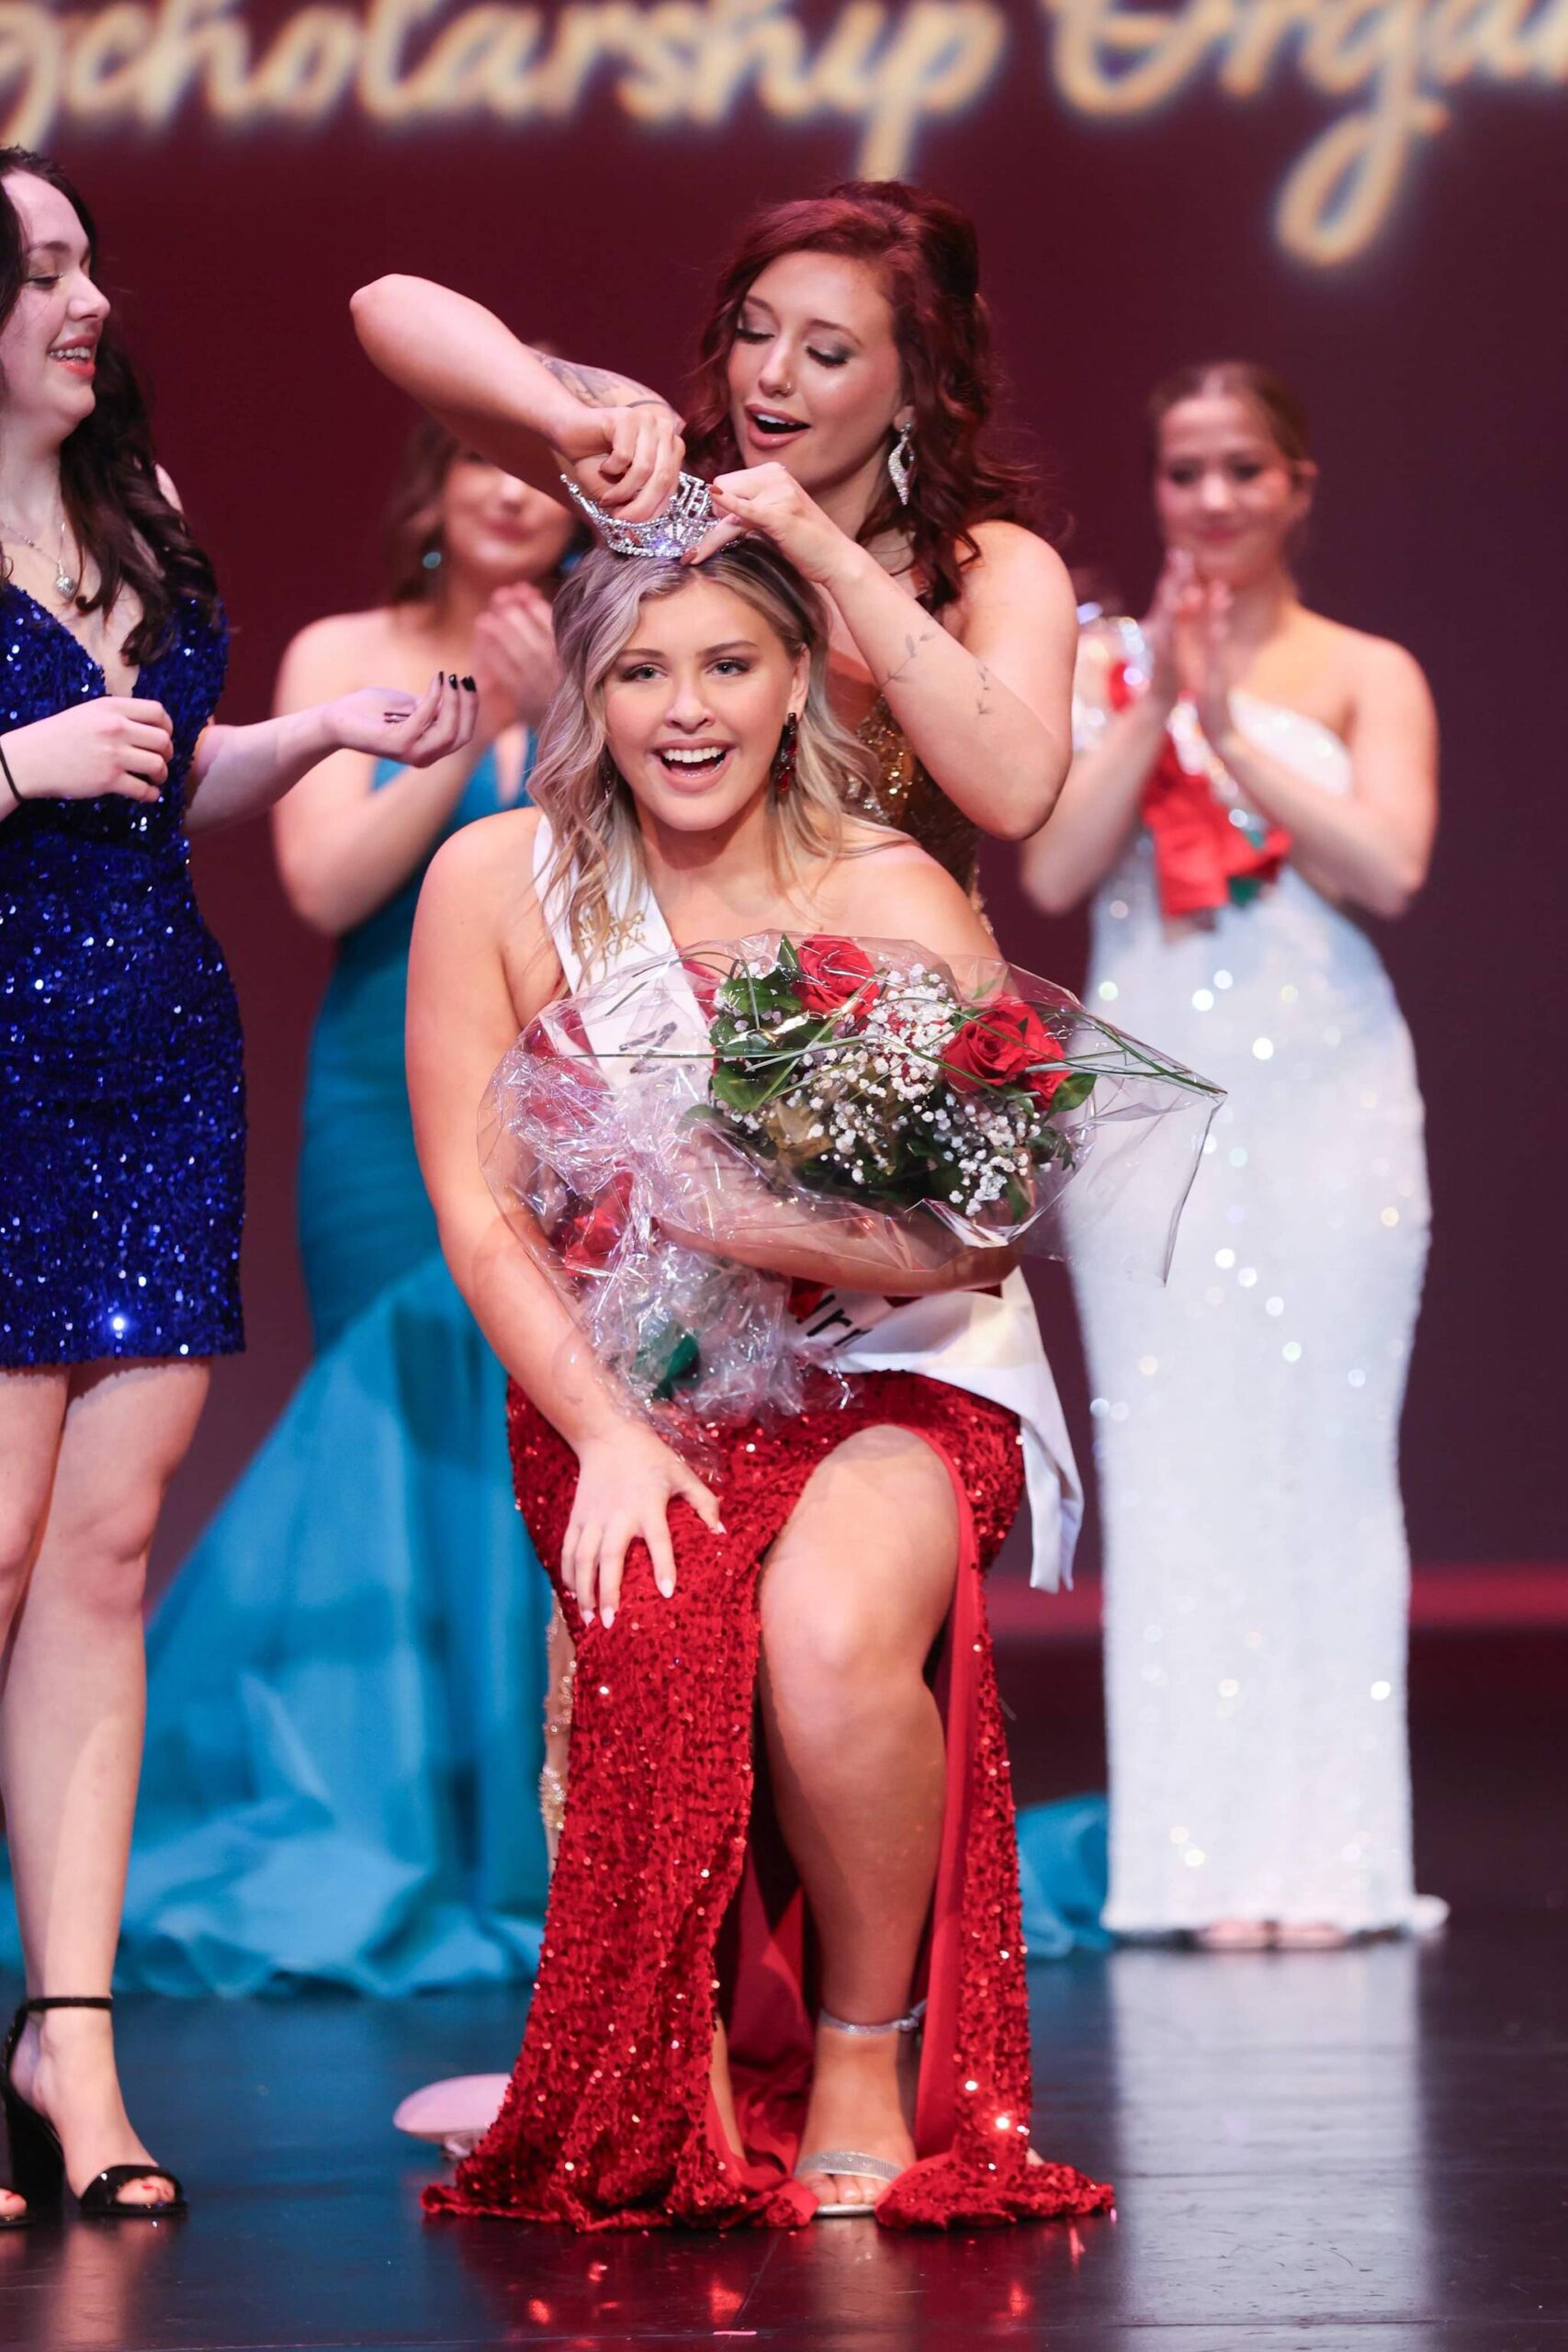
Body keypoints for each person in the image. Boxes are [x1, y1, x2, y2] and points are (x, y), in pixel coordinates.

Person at [352, 176, 1085, 1875]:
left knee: (823, 1633)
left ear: (920, 389)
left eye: (829, 352)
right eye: (755, 332)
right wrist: (567, 418)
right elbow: (392, 302)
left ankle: (831, 2029)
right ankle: (646, 2030)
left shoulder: (989, 568)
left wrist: (821, 550)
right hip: (646, 1097)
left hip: (863, 1106)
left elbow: (1015, 784)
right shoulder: (672, 489)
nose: (773, 376)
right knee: (647, 1612)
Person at [408, 537, 1105, 2228]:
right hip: (630, 1385)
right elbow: (478, 1213)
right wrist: (605, 1436)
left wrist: (767, 1217)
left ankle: (864, 2044)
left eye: (727, 664)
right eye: (642, 672)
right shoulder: (497, 883)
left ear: (798, 683)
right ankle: (679, 2070)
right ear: (589, 695)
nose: (686, 709)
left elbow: (980, 1237)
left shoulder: (892, 893)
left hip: (898, 1370)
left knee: (820, 1636)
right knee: (653, 1631)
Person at [0, 146, 473, 2224]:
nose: (87, 297)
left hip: (159, 1066)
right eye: (38, 269)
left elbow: (166, 776)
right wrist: (11, 767)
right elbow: (62, 768)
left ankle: (72, 2046)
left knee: (99, 1566)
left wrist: (320, 730)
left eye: (87, 256)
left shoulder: (140, 511)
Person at [119, 426, 581, 1996]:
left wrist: (563, 708)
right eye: (484, 466)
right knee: (406, 1427)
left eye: (546, 470)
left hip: (565, 1105)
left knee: (546, 1441)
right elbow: (321, 885)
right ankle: (405, 1834)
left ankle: (546, 1832)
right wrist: (478, 732)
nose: (516, 493)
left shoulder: (619, 651)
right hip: (384, 1105)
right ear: (434, 496)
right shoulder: (351, 653)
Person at [1020, 362, 1444, 1947]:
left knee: (1326, 1456)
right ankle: (1194, 1862)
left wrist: (1229, 737)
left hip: (1331, 1091)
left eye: (1243, 470)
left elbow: (1389, 863)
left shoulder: (1364, 671)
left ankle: (1332, 1861)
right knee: (1176, 1459)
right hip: (1154, 1098)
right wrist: (1148, 719)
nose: (1212, 501)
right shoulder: (1100, 668)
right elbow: (1057, 860)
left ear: (1299, 485)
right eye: (1186, 471)